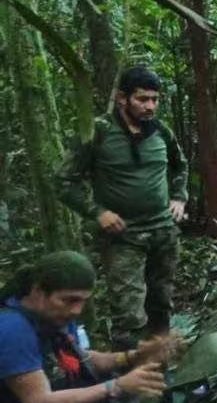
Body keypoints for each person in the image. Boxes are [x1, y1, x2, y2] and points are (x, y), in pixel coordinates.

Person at [0, 251, 179, 403]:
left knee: (113, 378)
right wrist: (117, 386)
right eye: (69, 300)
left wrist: (134, 356)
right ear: (38, 291)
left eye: (83, 301)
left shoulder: (53, 315)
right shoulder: (11, 328)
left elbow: (82, 359)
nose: (77, 310)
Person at [58, 65, 188, 349]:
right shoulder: (97, 132)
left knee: (162, 304)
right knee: (129, 315)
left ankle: (159, 370)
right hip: (123, 236)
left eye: (155, 99)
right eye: (142, 99)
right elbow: (65, 182)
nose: (150, 106)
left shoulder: (161, 132)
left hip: (163, 232)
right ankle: (131, 381)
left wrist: (179, 197)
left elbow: (180, 166)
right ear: (122, 99)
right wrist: (98, 213)